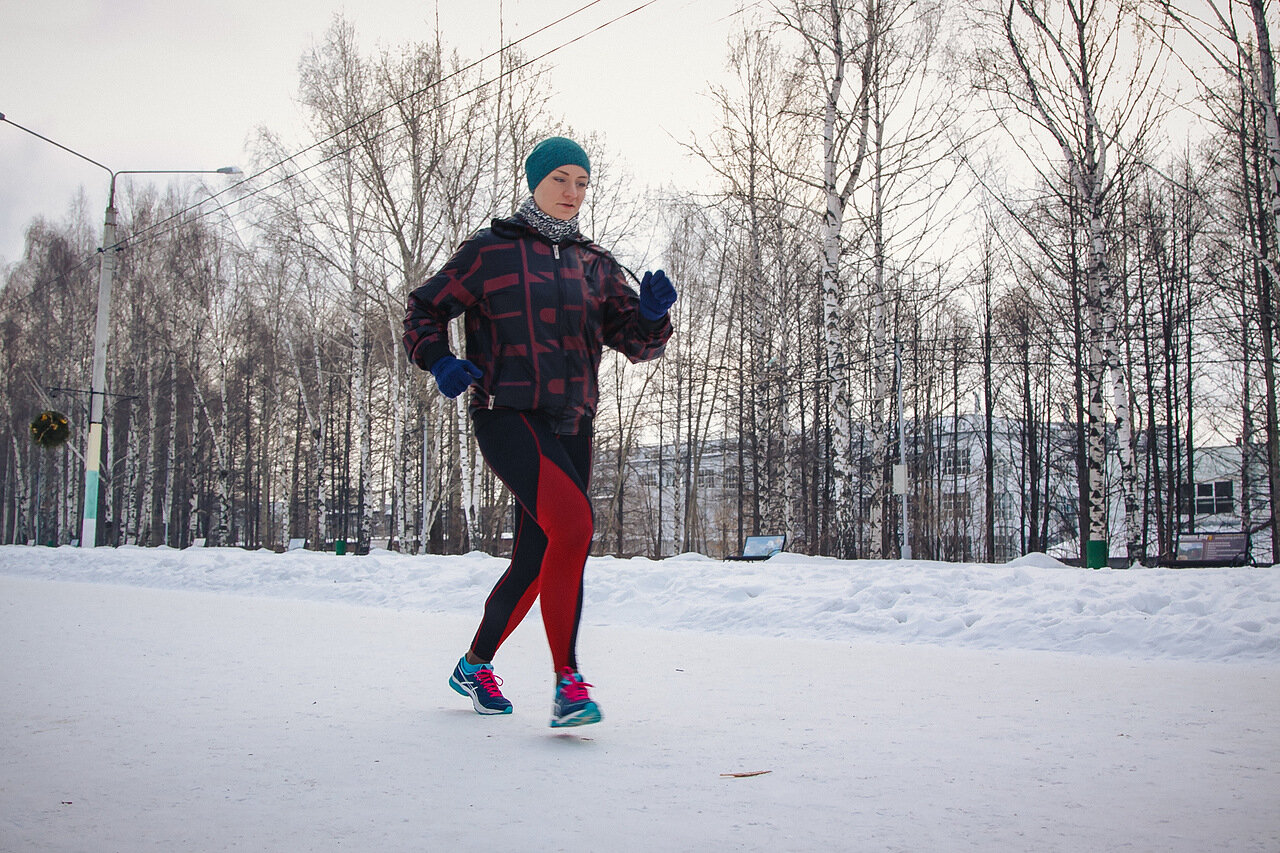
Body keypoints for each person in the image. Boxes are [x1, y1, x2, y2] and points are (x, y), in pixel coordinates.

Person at [402, 137, 677, 728]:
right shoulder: (489, 253)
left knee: (538, 552)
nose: (573, 193)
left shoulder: (597, 265)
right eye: (561, 180)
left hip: (572, 422)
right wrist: (439, 360)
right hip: (507, 413)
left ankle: (475, 664)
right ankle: (567, 683)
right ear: (535, 182)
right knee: (575, 525)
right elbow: (423, 309)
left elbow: (635, 343)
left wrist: (653, 316)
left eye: (582, 183)